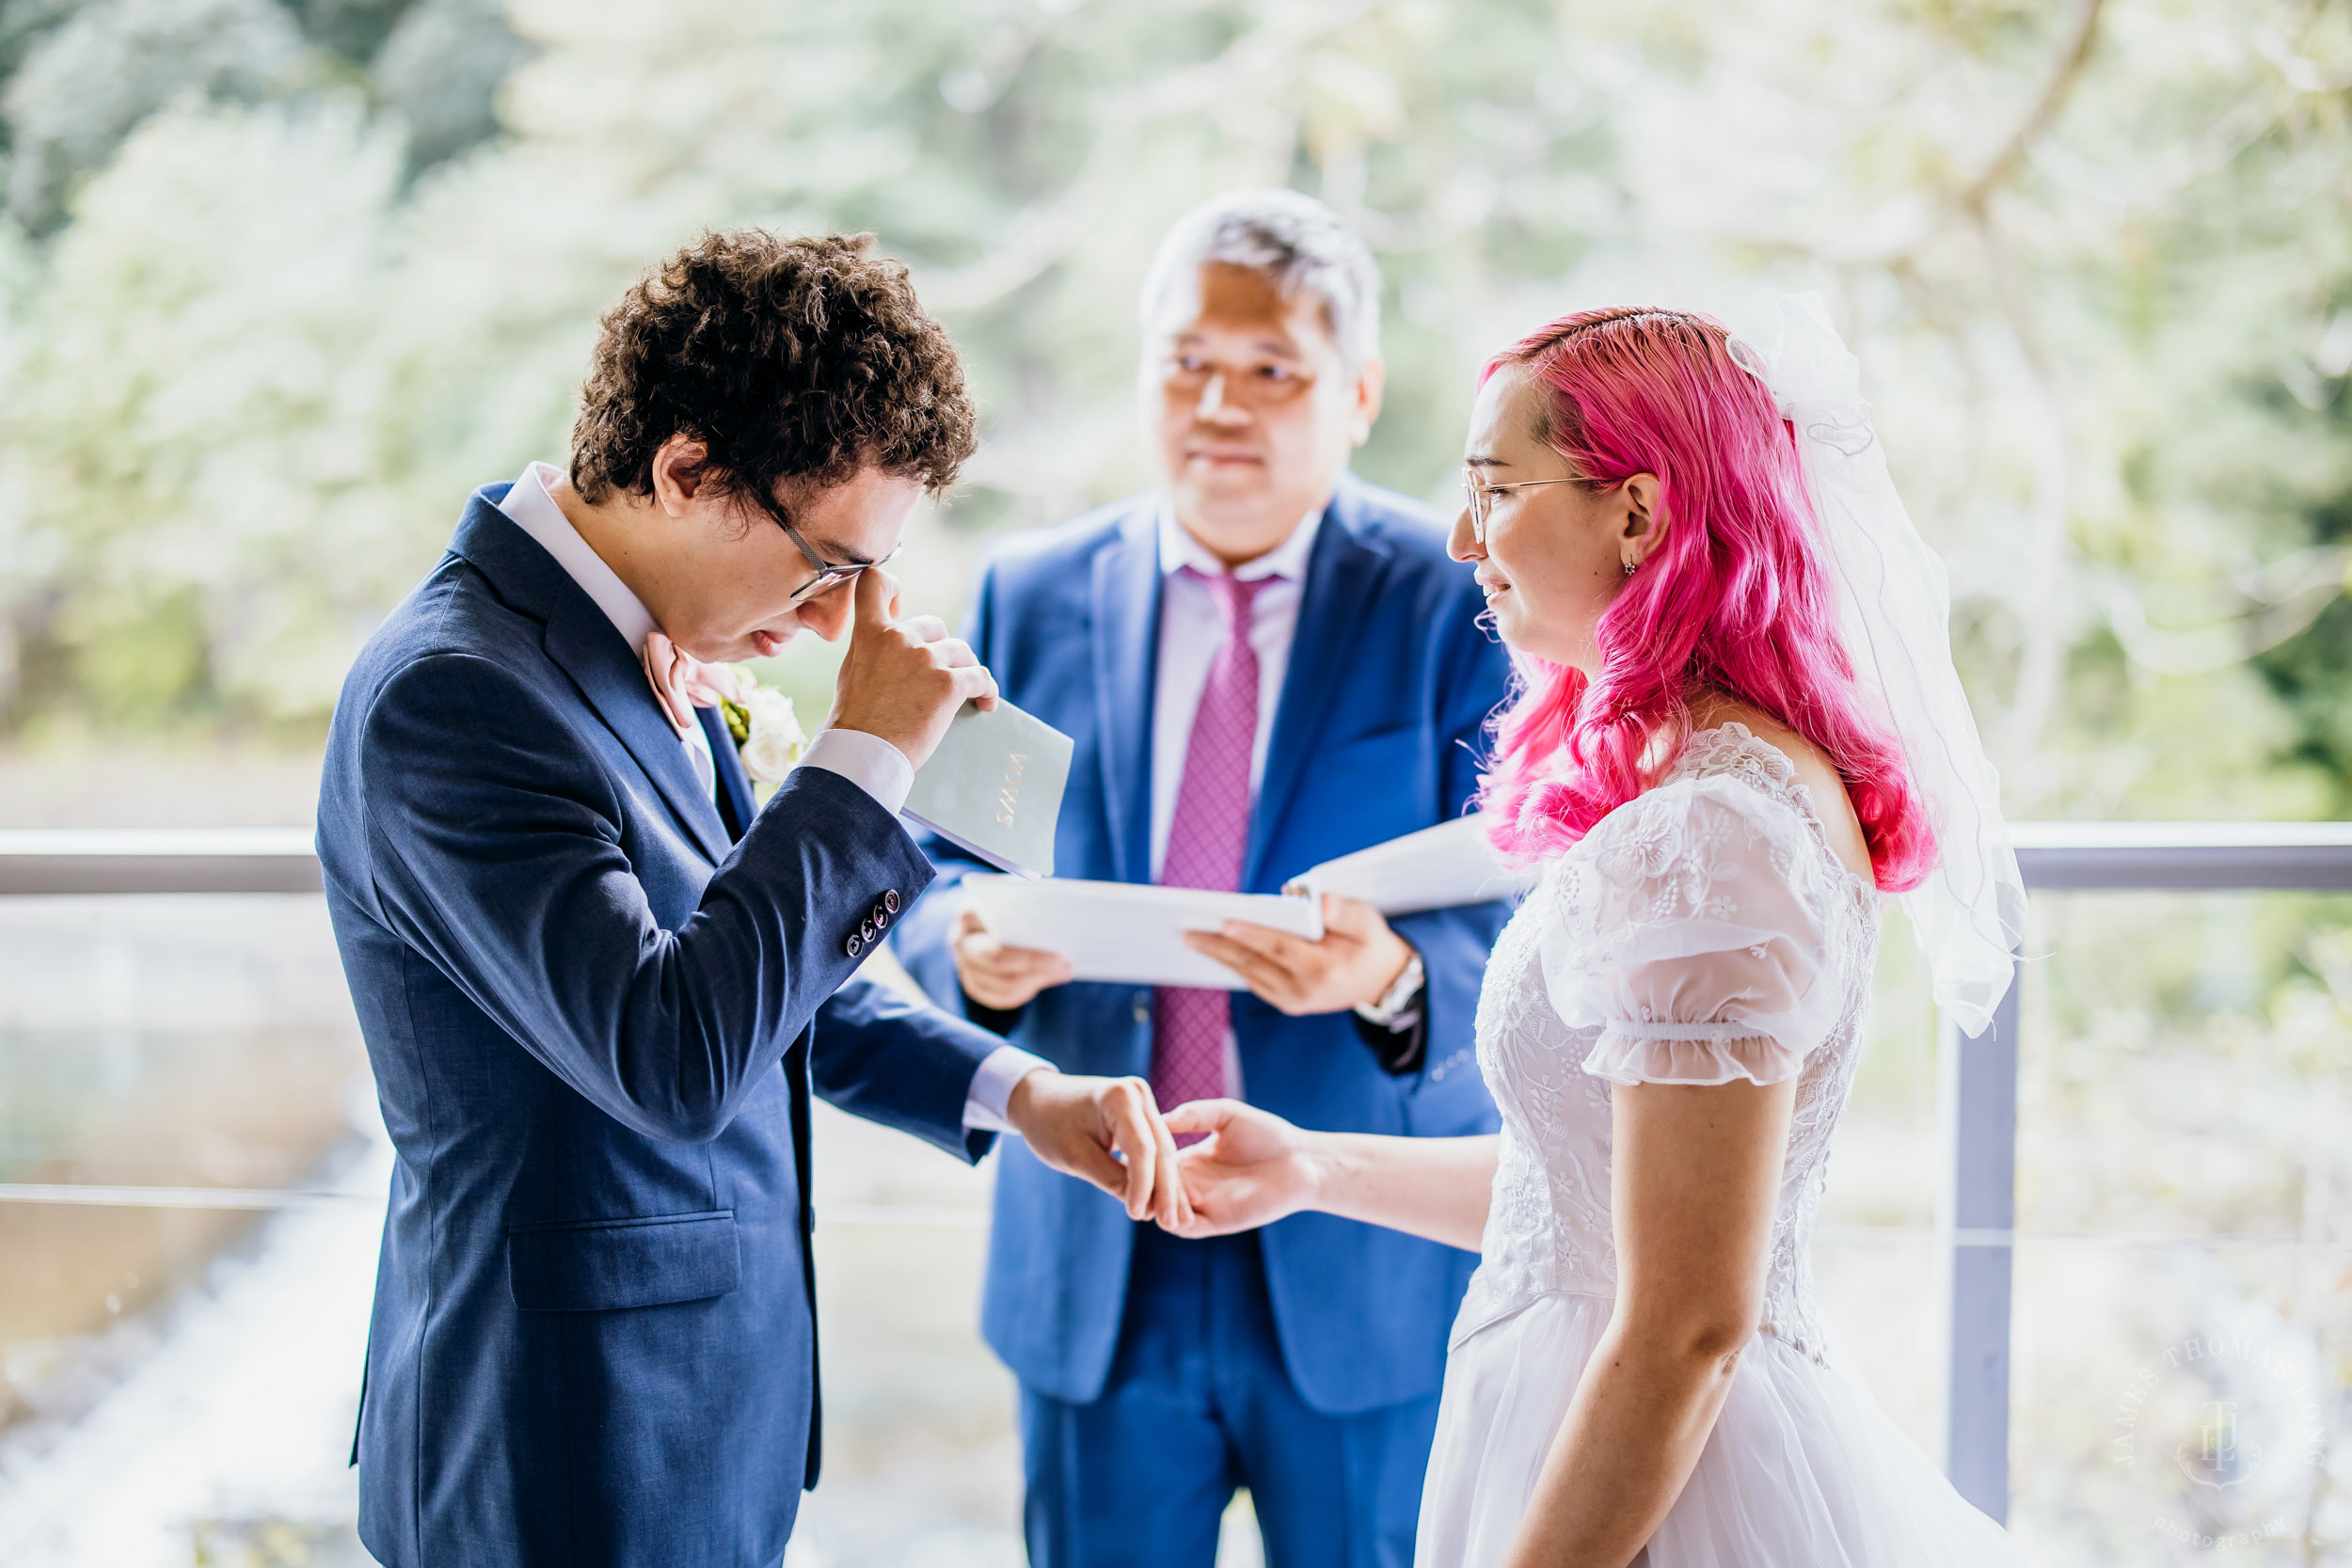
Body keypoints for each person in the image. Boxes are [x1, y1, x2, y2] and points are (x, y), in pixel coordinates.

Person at [314, 230, 1186, 1568]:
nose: (836, 622)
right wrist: (858, 759)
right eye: (828, 565)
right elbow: (671, 1051)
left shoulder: (639, 648)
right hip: (554, 1451)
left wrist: (1019, 1093)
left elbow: (769, 985)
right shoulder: (459, 694)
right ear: (689, 470)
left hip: (706, 1422)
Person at [1162, 297, 2034, 1566]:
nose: (1463, 538)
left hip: (1660, 1491)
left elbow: (1686, 1324)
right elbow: (1594, 1208)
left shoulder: (1710, 839)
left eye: (1497, 490)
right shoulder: (1716, 793)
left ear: (1638, 512)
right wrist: (1313, 1167)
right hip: (1589, 1427)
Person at [889, 190, 1513, 1568]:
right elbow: (936, 870)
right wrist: (966, 958)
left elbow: (1525, 899)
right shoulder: (1032, 592)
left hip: (1356, 1254)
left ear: (1355, 392)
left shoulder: (1455, 597)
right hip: (1096, 1243)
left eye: (1270, 370)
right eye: (1186, 362)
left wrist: (1395, 979)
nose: (1219, 403)